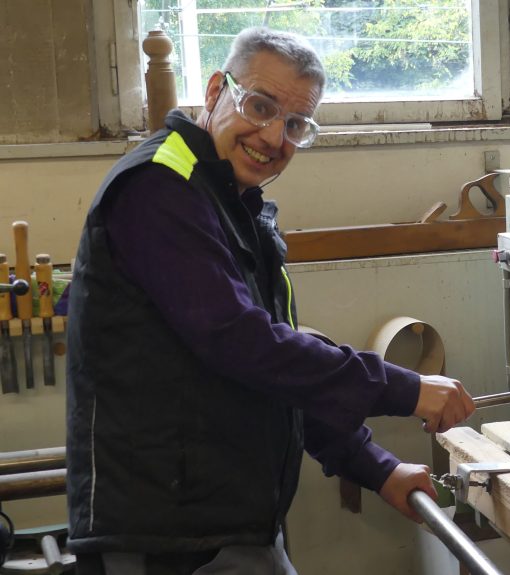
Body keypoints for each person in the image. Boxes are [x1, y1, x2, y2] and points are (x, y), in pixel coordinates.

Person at [65, 27, 475, 575]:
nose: (274, 136)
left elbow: (276, 369)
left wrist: (374, 466)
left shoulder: (235, 203)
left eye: (296, 124)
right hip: (167, 538)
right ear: (216, 91)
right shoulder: (159, 188)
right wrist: (407, 389)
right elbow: (244, 344)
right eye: (260, 106)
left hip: (229, 523)